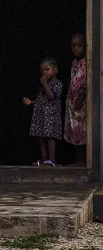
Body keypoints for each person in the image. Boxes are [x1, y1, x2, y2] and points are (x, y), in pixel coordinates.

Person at [23, 57, 63, 166]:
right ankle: (44, 159)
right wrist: (31, 102)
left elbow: (51, 96)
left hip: (51, 116)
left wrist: (44, 84)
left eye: (47, 69)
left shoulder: (57, 83)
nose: (44, 72)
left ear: (55, 70)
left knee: (50, 137)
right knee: (41, 137)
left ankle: (52, 160)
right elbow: (42, 100)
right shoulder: (42, 85)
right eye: (42, 71)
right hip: (41, 116)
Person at [64, 34, 88, 166]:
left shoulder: (87, 62)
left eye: (79, 46)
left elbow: (87, 82)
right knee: (74, 131)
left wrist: (82, 96)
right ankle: (79, 159)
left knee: (82, 132)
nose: (76, 49)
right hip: (72, 102)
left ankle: (84, 160)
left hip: (81, 102)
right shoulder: (74, 62)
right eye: (73, 46)